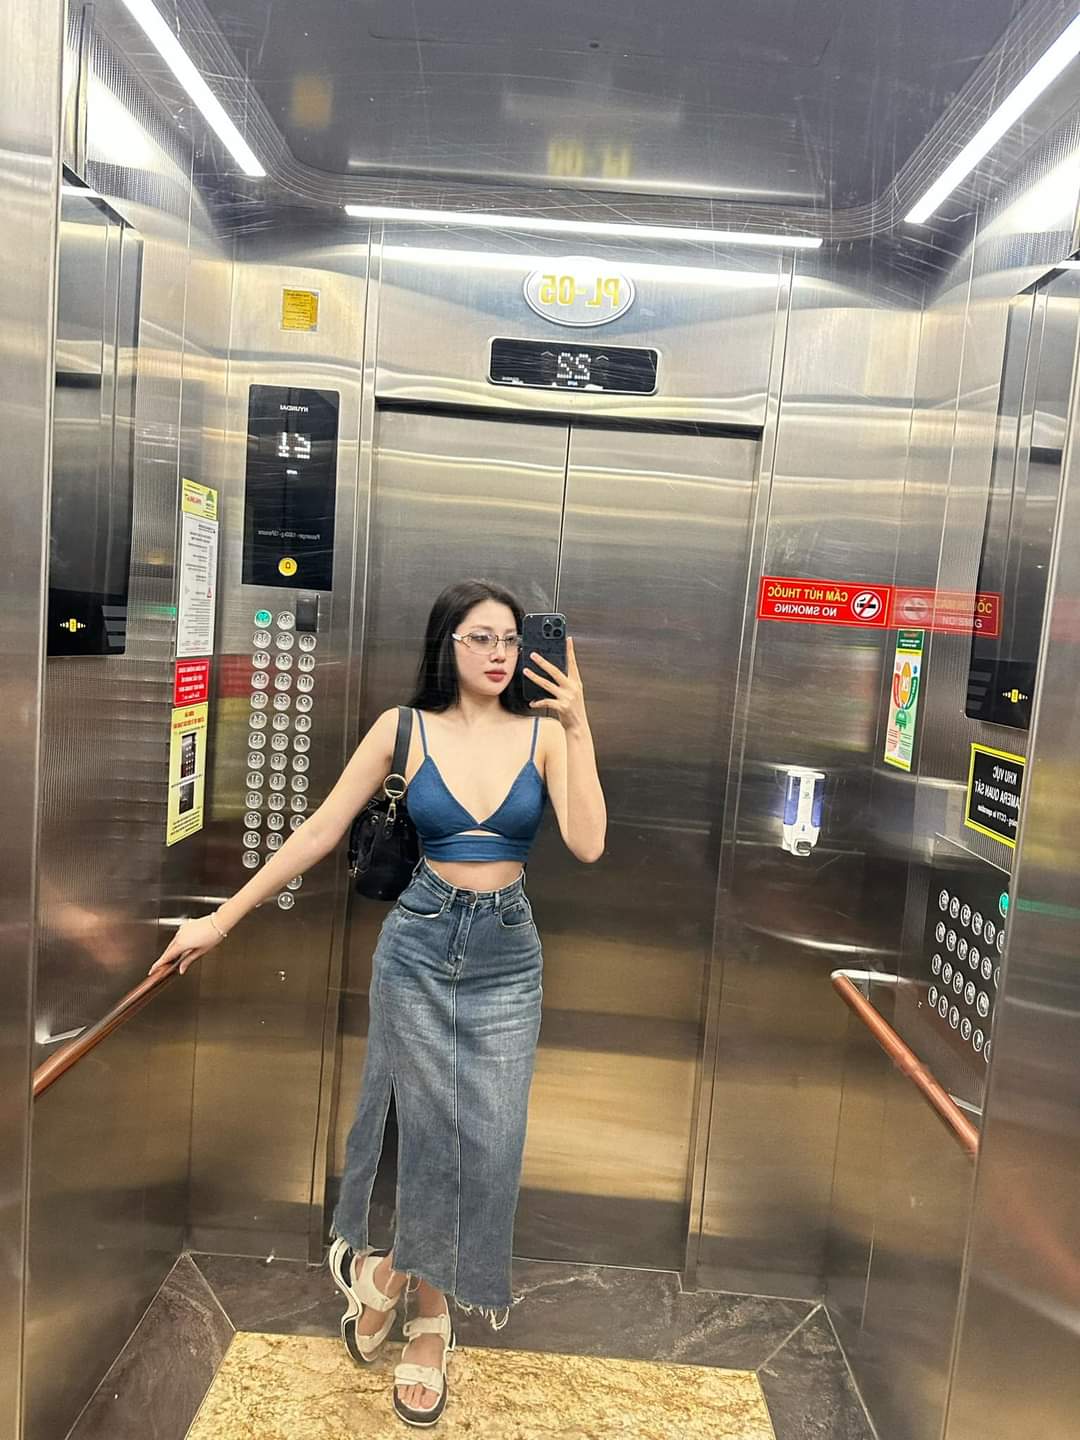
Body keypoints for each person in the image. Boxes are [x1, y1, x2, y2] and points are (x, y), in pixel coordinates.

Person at [152, 577, 606, 1427]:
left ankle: (387, 1273)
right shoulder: (404, 729)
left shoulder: (546, 734)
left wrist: (579, 725)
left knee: (490, 1144)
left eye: (511, 639)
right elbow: (321, 828)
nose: (500, 653)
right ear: (447, 644)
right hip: (420, 948)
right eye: (480, 637)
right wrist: (223, 918)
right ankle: (430, 1326)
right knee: (431, 1139)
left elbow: (586, 843)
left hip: (508, 956)